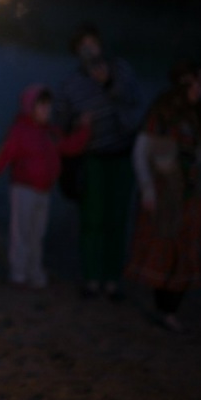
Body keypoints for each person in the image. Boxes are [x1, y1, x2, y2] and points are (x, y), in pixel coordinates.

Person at [124, 59, 201, 333]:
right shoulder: (163, 111)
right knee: (163, 245)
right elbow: (142, 149)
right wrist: (147, 187)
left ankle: (171, 309)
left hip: (190, 192)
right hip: (165, 191)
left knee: (186, 248)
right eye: (196, 82)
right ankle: (163, 306)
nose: (200, 89)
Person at [54, 23, 144, 300]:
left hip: (123, 155)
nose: (89, 50)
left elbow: (135, 102)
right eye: (82, 46)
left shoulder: (122, 70)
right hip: (91, 159)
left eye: (92, 43)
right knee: (92, 219)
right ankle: (92, 279)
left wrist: (108, 83)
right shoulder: (71, 84)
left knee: (117, 219)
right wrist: (77, 128)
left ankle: (112, 281)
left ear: (100, 45)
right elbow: (60, 124)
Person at [0, 85, 91, 290]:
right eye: (42, 106)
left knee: (37, 234)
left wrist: (84, 129)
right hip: (23, 189)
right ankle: (18, 274)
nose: (46, 110)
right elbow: (5, 153)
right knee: (21, 233)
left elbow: (69, 146)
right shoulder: (20, 130)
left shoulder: (51, 132)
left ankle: (34, 271)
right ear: (30, 107)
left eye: (48, 106)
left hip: (44, 191)